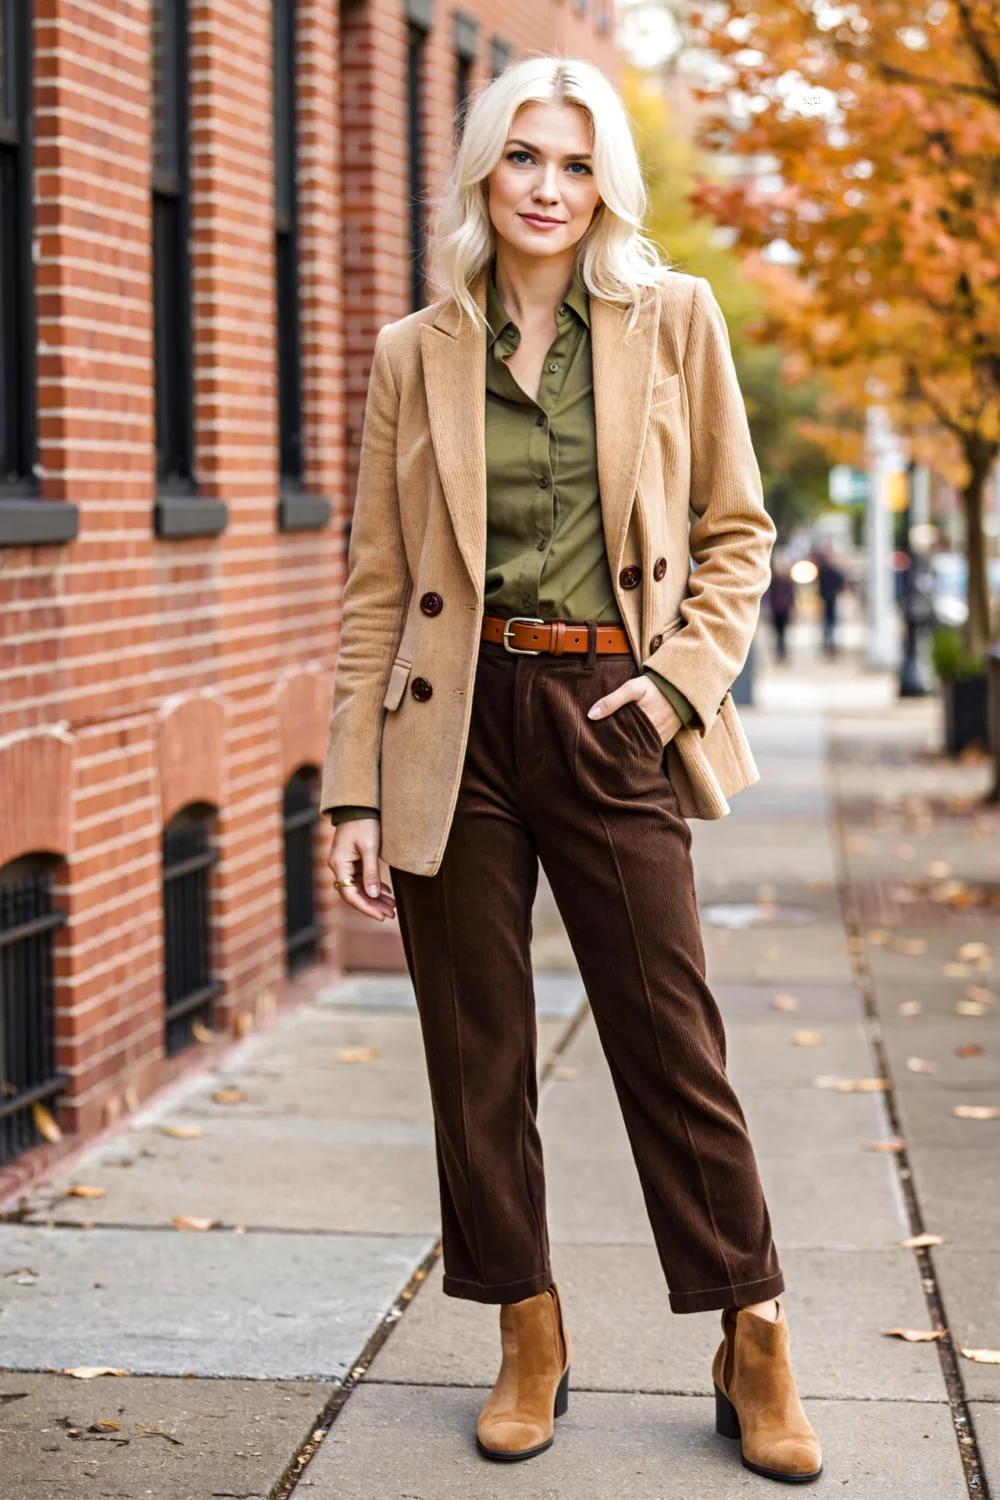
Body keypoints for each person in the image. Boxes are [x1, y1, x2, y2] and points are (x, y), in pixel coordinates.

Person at [322, 57, 821, 1485]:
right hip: (455, 719)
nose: (549, 187)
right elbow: (374, 584)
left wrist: (671, 688)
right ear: (485, 170)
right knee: (476, 1049)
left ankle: (755, 1330)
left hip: (615, 707)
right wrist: (351, 786)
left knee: (670, 1040)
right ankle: (526, 1331)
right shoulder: (416, 349)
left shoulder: (672, 320)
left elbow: (738, 532)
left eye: (577, 163)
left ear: (608, 183)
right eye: (524, 158)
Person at [815, 551, 845, 658]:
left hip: (826, 599)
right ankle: (830, 640)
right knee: (830, 621)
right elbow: (841, 583)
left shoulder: (823, 571)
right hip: (830, 599)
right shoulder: (833, 571)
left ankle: (828, 640)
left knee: (827, 622)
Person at [766, 558, 795, 662]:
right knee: (780, 633)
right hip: (778, 609)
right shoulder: (775, 582)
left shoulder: (782, 582)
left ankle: (781, 651)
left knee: (781, 633)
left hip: (782, 609)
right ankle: (780, 651)